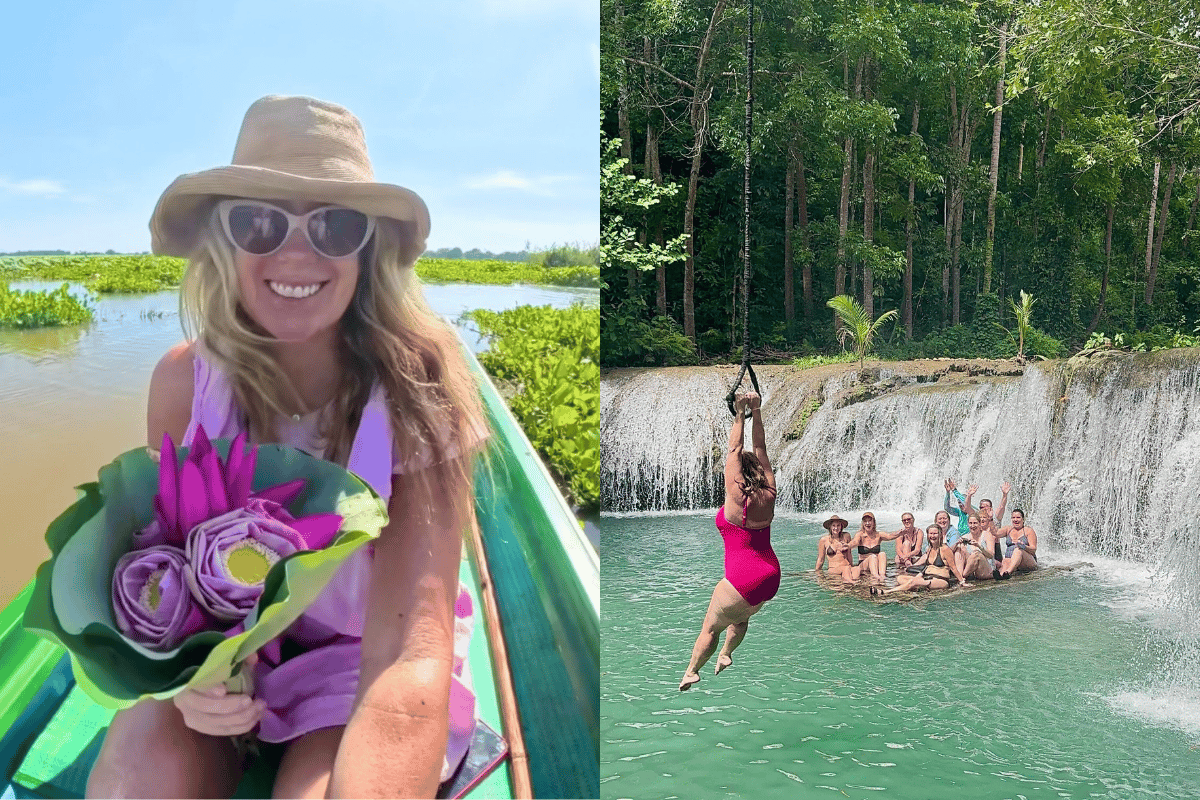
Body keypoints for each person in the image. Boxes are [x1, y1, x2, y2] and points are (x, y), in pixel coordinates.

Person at [87, 96, 489, 799]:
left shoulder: (416, 385)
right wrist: (186, 679)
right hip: (228, 655)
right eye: (260, 221)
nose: (296, 252)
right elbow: (168, 570)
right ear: (225, 239)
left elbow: (408, 649)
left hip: (358, 657)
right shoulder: (182, 383)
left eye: (334, 225)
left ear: (368, 249)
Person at [679, 391, 779, 691]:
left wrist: (739, 413)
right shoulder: (770, 493)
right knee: (741, 617)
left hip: (741, 577)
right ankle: (726, 655)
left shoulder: (737, 496)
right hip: (771, 576)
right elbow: (758, 446)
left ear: (738, 474)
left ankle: (692, 671)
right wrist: (756, 410)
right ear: (760, 473)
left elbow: (736, 447)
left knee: (710, 627)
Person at [873, 525, 970, 595]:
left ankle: (886, 592)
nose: (933, 536)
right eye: (930, 534)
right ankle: (918, 587)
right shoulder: (929, 549)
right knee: (900, 578)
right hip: (926, 577)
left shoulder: (945, 549)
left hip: (940, 580)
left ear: (940, 535)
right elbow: (926, 567)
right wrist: (918, 575)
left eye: (935, 533)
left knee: (913, 582)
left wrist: (962, 582)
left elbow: (953, 567)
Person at [848, 512, 904, 583]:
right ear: (863, 523)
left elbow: (890, 536)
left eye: (869, 521)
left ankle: (882, 575)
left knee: (882, 554)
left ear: (874, 522)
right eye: (865, 521)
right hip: (864, 565)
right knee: (872, 557)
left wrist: (899, 533)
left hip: (876, 564)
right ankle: (875, 576)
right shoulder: (860, 535)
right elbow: (854, 542)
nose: (867, 523)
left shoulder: (878, 535)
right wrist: (848, 545)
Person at [815, 514, 859, 584]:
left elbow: (849, 554)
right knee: (845, 569)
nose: (836, 528)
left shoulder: (846, 536)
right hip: (834, 569)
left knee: (856, 569)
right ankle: (852, 583)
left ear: (841, 526)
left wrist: (852, 566)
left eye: (838, 525)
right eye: (833, 526)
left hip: (847, 567)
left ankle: (855, 587)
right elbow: (820, 559)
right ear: (830, 527)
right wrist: (818, 573)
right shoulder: (824, 540)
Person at [996, 508, 1039, 578]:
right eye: (1013, 517)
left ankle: (1008, 572)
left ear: (1023, 519)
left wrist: (1024, 546)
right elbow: (995, 533)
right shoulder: (1008, 529)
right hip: (1012, 561)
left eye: (1018, 517)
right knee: (1006, 560)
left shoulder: (1028, 531)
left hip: (1027, 562)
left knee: (1018, 550)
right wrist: (990, 519)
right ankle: (1001, 575)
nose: (1015, 520)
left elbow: (1033, 549)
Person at [954, 514, 997, 580]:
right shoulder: (965, 537)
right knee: (959, 549)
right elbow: (952, 552)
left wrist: (979, 547)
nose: (972, 526)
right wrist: (956, 544)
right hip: (972, 571)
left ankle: (963, 575)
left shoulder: (987, 535)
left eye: (975, 523)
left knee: (977, 554)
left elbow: (991, 555)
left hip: (987, 570)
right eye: (970, 523)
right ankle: (960, 578)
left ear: (979, 524)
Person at [943, 479, 975, 546]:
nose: (960, 505)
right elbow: (947, 508)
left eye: (962, 503)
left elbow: (964, 502)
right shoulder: (960, 512)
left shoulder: (973, 512)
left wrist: (954, 490)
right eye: (959, 503)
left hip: (972, 540)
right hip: (961, 539)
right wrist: (948, 493)